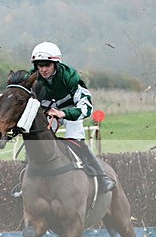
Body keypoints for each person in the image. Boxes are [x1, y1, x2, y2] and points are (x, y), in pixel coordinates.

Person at [29, 41, 116, 192]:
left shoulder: (70, 76)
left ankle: (102, 177)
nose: (43, 70)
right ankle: (26, 181)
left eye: (47, 65)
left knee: (75, 139)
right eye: (39, 65)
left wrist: (64, 113)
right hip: (49, 114)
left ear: (56, 64)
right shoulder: (32, 78)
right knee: (37, 140)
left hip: (71, 113)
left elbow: (86, 108)